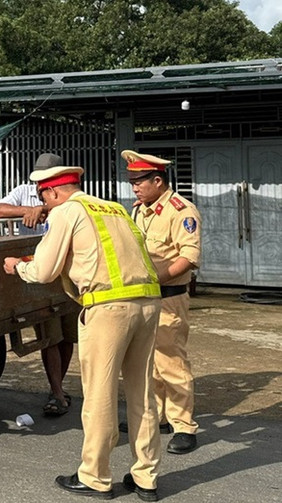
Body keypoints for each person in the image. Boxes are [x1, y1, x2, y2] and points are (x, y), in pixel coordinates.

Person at [3, 162, 163, 501]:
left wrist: (18, 267)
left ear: (53, 191)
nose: (43, 204)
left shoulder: (66, 212)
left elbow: (45, 270)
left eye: (42, 196)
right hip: (148, 303)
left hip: (108, 308)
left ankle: (94, 476)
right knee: (142, 393)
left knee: (100, 395)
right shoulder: (114, 207)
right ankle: (146, 477)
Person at [120, 150, 202, 455]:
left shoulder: (181, 211)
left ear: (158, 180)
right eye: (131, 181)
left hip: (169, 298)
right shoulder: (140, 209)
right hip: (146, 298)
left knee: (172, 362)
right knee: (147, 362)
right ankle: (158, 416)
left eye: (139, 181)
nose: (134, 187)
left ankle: (183, 425)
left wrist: (156, 278)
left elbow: (188, 258)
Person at [0, 153, 77, 417]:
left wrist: (48, 209)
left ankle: (58, 387)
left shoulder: (68, 200)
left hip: (67, 271)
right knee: (50, 334)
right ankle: (57, 391)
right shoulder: (24, 192)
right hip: (36, 269)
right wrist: (29, 210)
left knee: (67, 335)